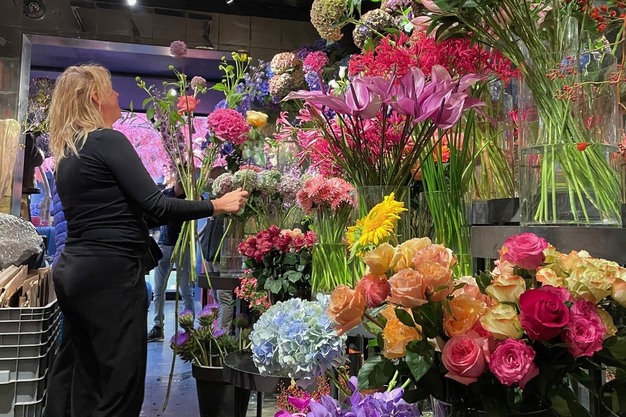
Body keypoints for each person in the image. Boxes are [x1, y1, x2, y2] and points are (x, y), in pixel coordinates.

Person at [45, 64, 248, 417]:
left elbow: (137, 212)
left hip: (76, 272)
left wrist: (180, 196)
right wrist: (217, 205)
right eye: (111, 88)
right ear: (95, 97)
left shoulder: (70, 152)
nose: (117, 94)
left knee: (81, 375)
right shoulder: (107, 140)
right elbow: (156, 206)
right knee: (119, 384)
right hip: (111, 276)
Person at [147, 176, 195, 342]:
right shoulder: (165, 195)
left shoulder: (191, 197)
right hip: (164, 245)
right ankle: (158, 327)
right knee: (159, 290)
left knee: (186, 290)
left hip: (184, 246)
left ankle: (188, 327)